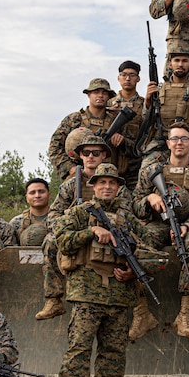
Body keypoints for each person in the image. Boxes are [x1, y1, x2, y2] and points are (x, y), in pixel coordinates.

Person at [54, 164, 165, 377]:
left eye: (112, 183)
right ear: (93, 186)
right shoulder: (80, 213)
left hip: (119, 295)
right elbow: (62, 240)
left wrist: (132, 270)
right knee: (79, 348)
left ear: (118, 188)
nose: (106, 187)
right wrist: (90, 231)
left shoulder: (128, 220)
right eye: (101, 182)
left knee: (113, 352)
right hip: (86, 293)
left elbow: (153, 254)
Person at [35, 131, 130, 321]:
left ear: (104, 155)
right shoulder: (71, 186)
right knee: (50, 240)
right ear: (80, 156)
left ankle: (141, 311)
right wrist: (68, 229)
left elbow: (129, 216)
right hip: (79, 234)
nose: (91, 157)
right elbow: (54, 214)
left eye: (96, 152)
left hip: (109, 236)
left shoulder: (117, 186)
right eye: (86, 153)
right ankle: (54, 299)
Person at [134, 122, 189, 339]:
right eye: (175, 139)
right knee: (138, 245)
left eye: (184, 139)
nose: (180, 143)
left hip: (188, 226)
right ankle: (141, 311)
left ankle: (185, 314)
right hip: (158, 224)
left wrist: (187, 226)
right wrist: (149, 199)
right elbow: (134, 204)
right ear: (168, 143)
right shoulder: (152, 171)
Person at [48, 78, 128, 182]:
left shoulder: (116, 122)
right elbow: (54, 147)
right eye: (96, 92)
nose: (100, 95)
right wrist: (70, 168)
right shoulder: (74, 120)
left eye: (104, 93)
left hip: (109, 181)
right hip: (79, 180)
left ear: (109, 97)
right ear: (88, 94)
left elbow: (133, 149)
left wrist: (122, 141)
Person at [108, 60, 148, 189]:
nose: (127, 78)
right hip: (111, 164)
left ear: (138, 78)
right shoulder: (108, 104)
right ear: (118, 78)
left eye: (132, 75)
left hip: (134, 165)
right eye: (123, 74)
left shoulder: (145, 105)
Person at [10, 178, 52, 246]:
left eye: (41, 192)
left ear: (49, 195)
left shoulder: (60, 218)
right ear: (26, 197)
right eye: (32, 193)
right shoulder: (16, 222)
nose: (37, 196)